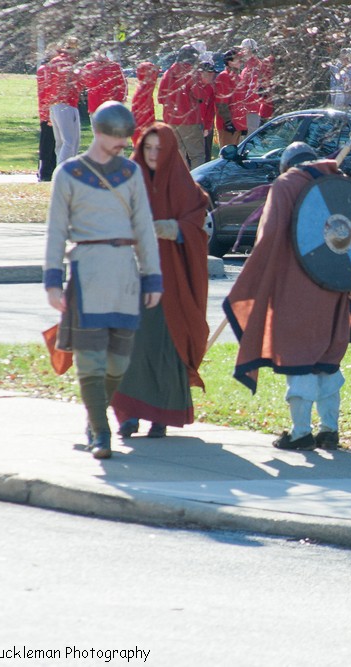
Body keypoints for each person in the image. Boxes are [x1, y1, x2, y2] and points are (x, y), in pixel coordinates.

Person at [223, 142, 351, 451]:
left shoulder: (286, 184)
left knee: (299, 357)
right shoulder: (342, 181)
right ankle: (329, 430)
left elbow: (270, 235)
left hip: (297, 287)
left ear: (287, 165)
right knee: (326, 359)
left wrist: (254, 277)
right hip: (336, 289)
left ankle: (300, 432)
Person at [43, 102, 162, 460]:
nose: (121, 146)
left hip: (124, 274)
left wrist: (152, 276)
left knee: (118, 364)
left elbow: (144, 226)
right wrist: (52, 280)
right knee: (91, 361)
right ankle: (101, 430)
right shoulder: (69, 174)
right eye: (116, 139)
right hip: (87, 272)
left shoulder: (131, 173)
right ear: (99, 132)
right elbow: (55, 231)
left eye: (125, 140)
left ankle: (95, 417)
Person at [111, 123, 210, 440]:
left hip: (170, 284)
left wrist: (174, 228)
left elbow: (198, 226)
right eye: (148, 148)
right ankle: (127, 416)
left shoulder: (186, 188)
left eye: (159, 148)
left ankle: (160, 415)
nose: (153, 154)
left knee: (166, 348)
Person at [158, 45, 207, 169]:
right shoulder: (190, 72)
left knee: (179, 155)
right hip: (188, 119)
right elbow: (199, 95)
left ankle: (181, 183)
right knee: (197, 155)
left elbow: (160, 98)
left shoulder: (168, 72)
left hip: (170, 119)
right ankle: (196, 184)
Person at [46, 40, 83, 164]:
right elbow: (74, 84)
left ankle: (60, 168)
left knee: (61, 143)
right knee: (70, 142)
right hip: (67, 103)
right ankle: (64, 171)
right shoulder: (70, 64)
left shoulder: (54, 62)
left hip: (54, 104)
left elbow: (48, 84)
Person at [214, 49, 249, 149]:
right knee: (227, 155)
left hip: (238, 124)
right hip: (228, 125)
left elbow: (241, 101)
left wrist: (243, 125)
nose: (240, 61)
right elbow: (221, 102)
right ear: (229, 62)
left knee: (235, 155)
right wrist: (228, 122)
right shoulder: (224, 76)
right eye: (237, 59)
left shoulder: (238, 77)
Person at [80, 51, 128, 118]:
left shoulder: (114, 66)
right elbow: (81, 83)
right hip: (95, 106)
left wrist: (120, 101)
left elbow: (122, 85)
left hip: (111, 106)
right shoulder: (89, 67)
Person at [36, 55, 57, 182]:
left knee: (49, 142)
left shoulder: (43, 70)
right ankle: (45, 171)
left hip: (45, 111)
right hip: (49, 111)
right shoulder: (47, 71)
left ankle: (45, 170)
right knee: (49, 143)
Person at [130, 61, 160, 145]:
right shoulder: (144, 91)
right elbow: (143, 119)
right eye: (154, 74)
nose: (156, 78)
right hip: (142, 134)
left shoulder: (144, 88)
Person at [196, 61, 218, 161]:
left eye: (212, 74)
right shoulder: (193, 87)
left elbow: (210, 110)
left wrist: (207, 127)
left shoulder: (210, 88)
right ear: (200, 73)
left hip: (204, 126)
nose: (211, 76)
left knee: (206, 154)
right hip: (192, 126)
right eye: (208, 74)